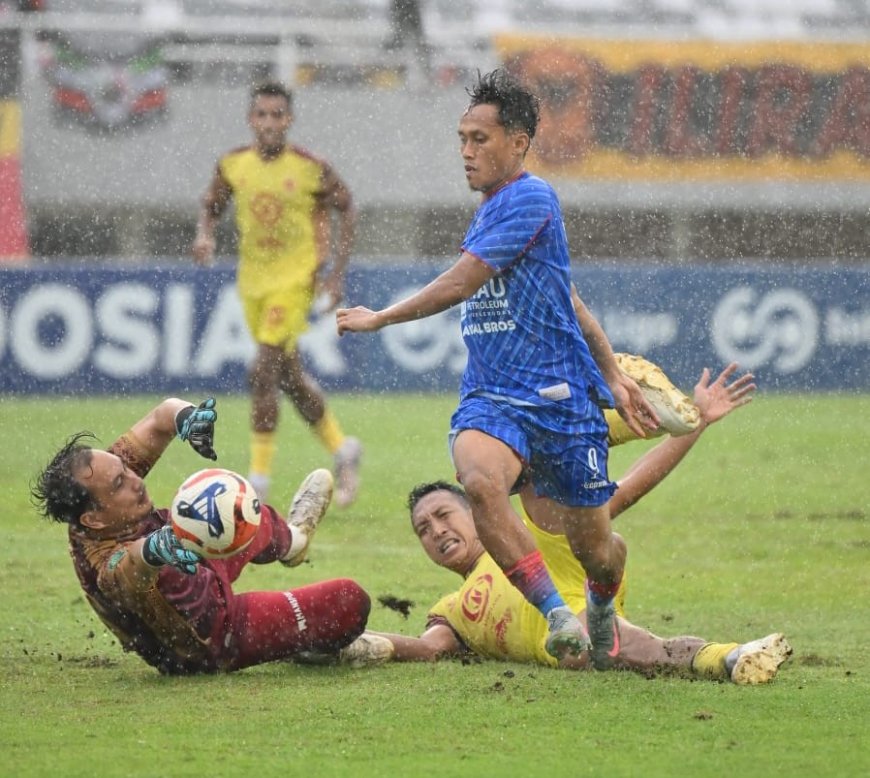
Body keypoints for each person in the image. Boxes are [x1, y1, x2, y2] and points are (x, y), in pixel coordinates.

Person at [337, 68, 660, 668]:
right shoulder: (493, 206)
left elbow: (462, 283)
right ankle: (555, 614)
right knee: (481, 483)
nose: (466, 151)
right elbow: (574, 301)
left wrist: (381, 318)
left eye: (479, 139)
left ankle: (598, 602)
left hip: (561, 401)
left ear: (518, 142)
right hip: (494, 396)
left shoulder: (532, 197)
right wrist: (614, 372)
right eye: (462, 138)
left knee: (599, 551)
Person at [339, 364, 792, 684]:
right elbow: (430, 648)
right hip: (566, 649)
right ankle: (588, 425)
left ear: (479, 513)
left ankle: (728, 658)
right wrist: (357, 643)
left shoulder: (530, 531)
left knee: (612, 630)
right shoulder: (453, 607)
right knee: (608, 641)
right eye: (423, 529)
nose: (435, 530)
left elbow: (628, 489)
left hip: (584, 603)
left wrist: (693, 426)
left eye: (442, 515)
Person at [30, 397, 372, 675]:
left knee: (227, 506)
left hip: (193, 557)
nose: (135, 479)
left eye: (126, 470)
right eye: (120, 483)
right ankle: (318, 645)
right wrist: (154, 548)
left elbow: (161, 416)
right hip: (211, 638)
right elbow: (124, 569)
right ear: (94, 519)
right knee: (349, 599)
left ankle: (294, 541)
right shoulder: (101, 558)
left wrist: (188, 418)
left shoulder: (100, 488)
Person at [193, 80, 362, 508]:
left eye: (277, 115)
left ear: (289, 120)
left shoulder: (309, 166)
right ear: (251, 119)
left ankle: (258, 484)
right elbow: (212, 202)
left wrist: (336, 273)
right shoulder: (233, 164)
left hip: (295, 279)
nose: (269, 122)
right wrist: (205, 236)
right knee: (287, 378)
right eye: (262, 114)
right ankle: (343, 450)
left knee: (262, 370)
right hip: (253, 283)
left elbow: (347, 204)